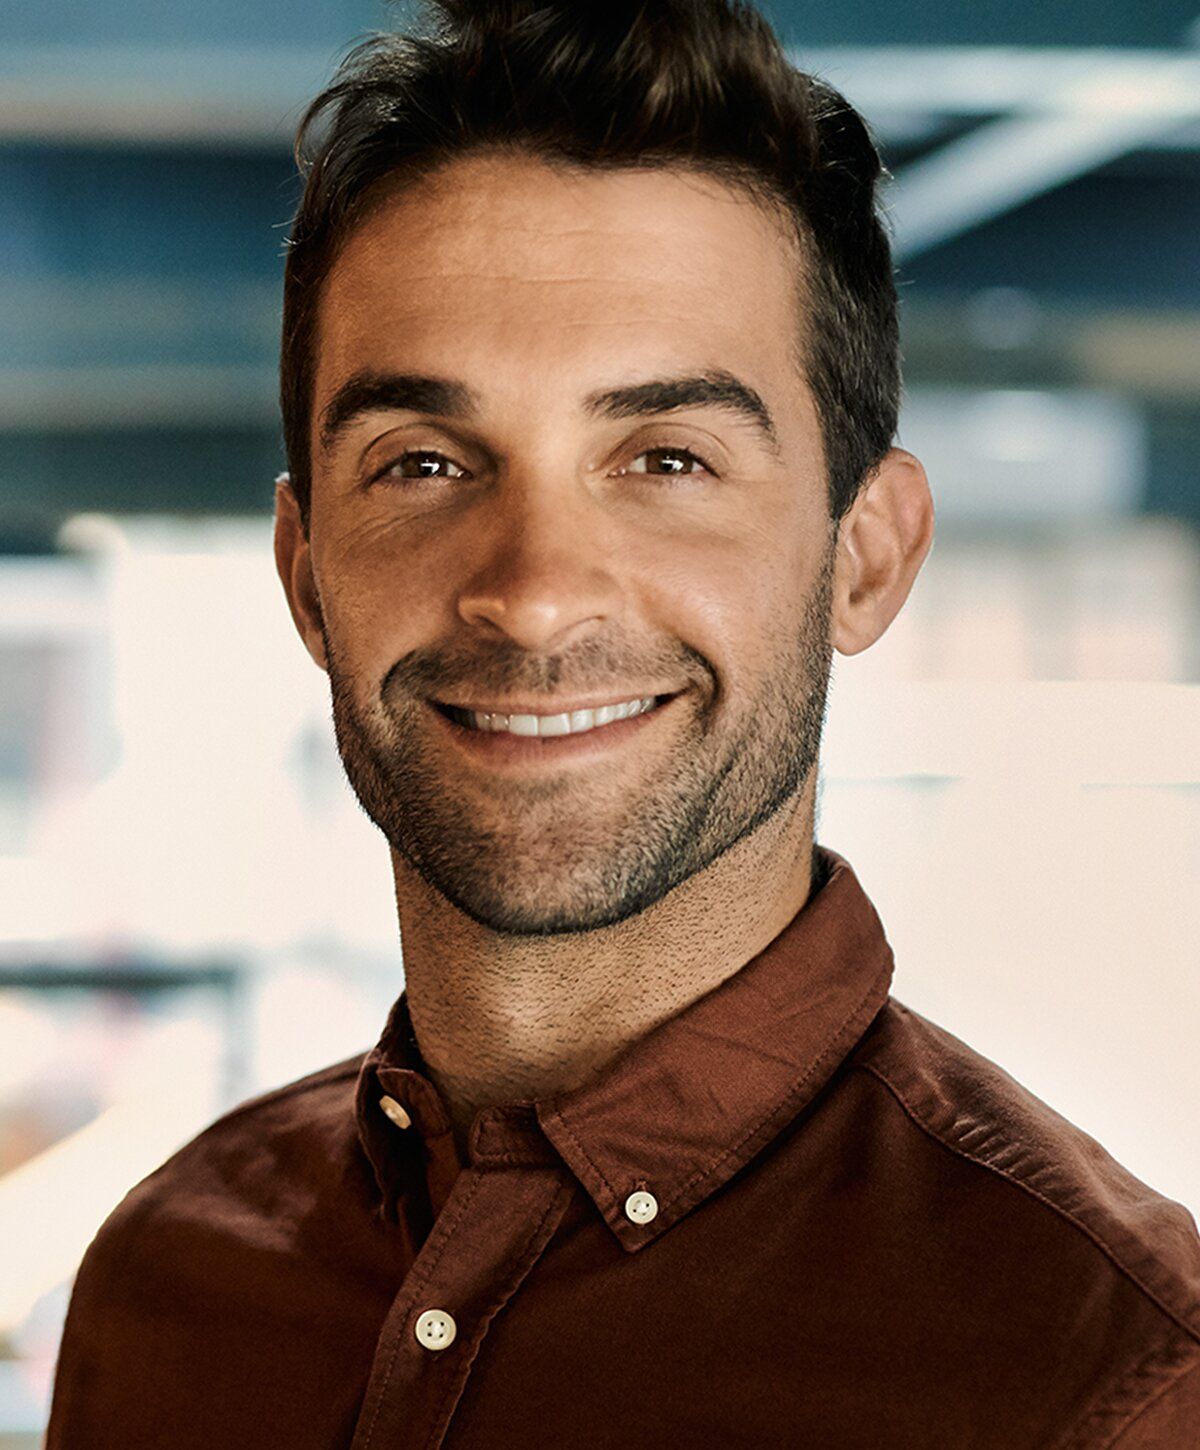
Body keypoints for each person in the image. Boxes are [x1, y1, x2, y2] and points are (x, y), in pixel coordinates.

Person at [46, 2, 1199, 1445]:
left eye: (666, 457)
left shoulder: (1112, 1378)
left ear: (866, 557)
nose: (532, 596)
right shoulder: (169, 1277)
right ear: (305, 576)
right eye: (422, 462)